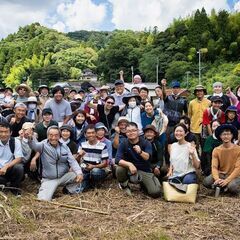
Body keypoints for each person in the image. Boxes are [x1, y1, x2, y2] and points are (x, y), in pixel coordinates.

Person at [26, 125, 83, 201]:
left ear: (59, 136)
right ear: (47, 136)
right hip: (49, 179)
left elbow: (72, 161)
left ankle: (68, 190)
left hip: (63, 176)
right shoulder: (43, 145)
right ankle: (45, 189)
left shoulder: (65, 147)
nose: (53, 138)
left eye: (56, 135)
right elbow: (34, 146)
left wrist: (79, 173)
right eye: (51, 135)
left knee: (77, 175)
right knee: (44, 200)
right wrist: (30, 138)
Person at [115, 122, 161, 198]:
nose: (131, 133)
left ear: (138, 131)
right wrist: (130, 164)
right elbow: (117, 159)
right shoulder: (124, 143)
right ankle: (124, 185)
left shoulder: (146, 143)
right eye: (128, 131)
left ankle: (144, 184)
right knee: (119, 168)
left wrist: (140, 152)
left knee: (155, 192)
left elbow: (148, 158)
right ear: (126, 133)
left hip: (144, 170)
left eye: (133, 130)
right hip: (130, 169)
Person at [203, 124, 240, 195]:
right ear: (220, 136)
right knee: (206, 182)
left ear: (232, 136)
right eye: (223, 134)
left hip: (235, 175)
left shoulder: (238, 149)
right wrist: (217, 179)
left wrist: (227, 180)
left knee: (232, 187)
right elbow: (214, 167)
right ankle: (223, 186)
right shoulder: (216, 150)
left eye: (228, 134)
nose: (226, 136)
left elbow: (238, 168)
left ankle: (226, 186)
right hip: (221, 174)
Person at [77, 125, 108, 191]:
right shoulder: (82, 145)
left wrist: (93, 166)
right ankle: (87, 182)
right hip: (85, 168)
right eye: (88, 133)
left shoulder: (103, 146)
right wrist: (79, 155)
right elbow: (77, 161)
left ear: (96, 133)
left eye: (93, 132)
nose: (91, 135)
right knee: (82, 189)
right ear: (85, 135)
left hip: (97, 169)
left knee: (95, 172)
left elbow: (105, 164)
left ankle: (95, 184)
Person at [0, 122, 24, 196]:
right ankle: (4, 184)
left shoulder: (15, 141)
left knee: (19, 168)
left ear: (11, 133)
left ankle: (14, 187)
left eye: (6, 132)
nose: (3, 134)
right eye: (1, 132)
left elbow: (19, 158)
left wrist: (6, 166)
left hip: (9, 169)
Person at [188, 85, 211, 150]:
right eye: (197, 91)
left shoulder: (209, 102)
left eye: (201, 91)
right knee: (195, 147)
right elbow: (189, 115)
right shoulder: (191, 103)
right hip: (194, 128)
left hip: (205, 129)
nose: (199, 93)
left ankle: (204, 160)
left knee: (205, 147)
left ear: (204, 92)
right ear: (195, 93)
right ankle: (196, 160)